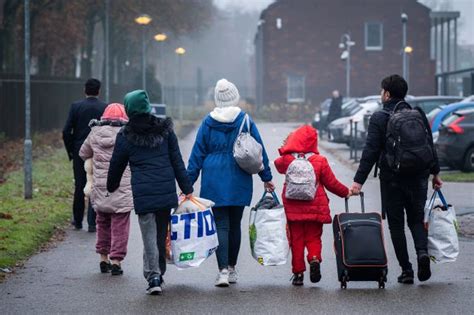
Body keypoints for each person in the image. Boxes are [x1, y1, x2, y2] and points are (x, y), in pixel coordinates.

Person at [351, 74, 443, 284]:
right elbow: (429, 145)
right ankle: (421, 253)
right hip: (418, 176)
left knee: (396, 225)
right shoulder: (418, 113)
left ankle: (407, 270)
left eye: (382, 91)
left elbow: (370, 151)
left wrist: (358, 181)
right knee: (416, 220)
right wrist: (435, 173)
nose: (380, 94)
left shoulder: (379, 117)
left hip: (392, 178)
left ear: (387, 94)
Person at [187, 79, 275, 287]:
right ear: (234, 96)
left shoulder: (208, 122)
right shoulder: (245, 120)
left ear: (217, 99)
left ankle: (223, 271)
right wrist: (267, 178)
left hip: (213, 178)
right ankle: (233, 269)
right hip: (239, 176)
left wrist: (187, 185)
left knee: (221, 225)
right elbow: (258, 151)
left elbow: (196, 155)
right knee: (235, 225)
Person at [107, 90, 193, 295]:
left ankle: (153, 275)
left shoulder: (126, 135)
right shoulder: (165, 130)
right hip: (165, 192)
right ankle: (158, 273)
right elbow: (177, 161)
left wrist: (111, 186)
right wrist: (187, 188)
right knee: (160, 234)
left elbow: (116, 163)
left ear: (129, 109)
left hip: (143, 193)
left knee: (149, 236)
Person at [274, 125, 350, 286]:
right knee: (314, 238)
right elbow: (332, 183)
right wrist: (346, 192)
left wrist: (286, 148)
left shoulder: (288, 160)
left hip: (293, 209)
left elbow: (277, 164)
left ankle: (298, 274)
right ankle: (314, 259)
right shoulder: (320, 160)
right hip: (316, 208)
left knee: (296, 241)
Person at [79, 103, 132, 276]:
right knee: (120, 225)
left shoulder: (94, 133)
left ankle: (103, 258)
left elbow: (83, 153)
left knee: (102, 222)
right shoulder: (127, 134)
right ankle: (116, 260)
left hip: (101, 188)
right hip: (121, 187)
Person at [63, 78, 107, 232]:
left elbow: (66, 131)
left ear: (85, 90)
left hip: (79, 152)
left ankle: (77, 220)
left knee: (79, 185)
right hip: (99, 151)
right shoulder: (104, 107)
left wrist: (71, 151)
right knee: (96, 185)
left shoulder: (76, 107)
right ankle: (93, 223)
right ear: (99, 91)